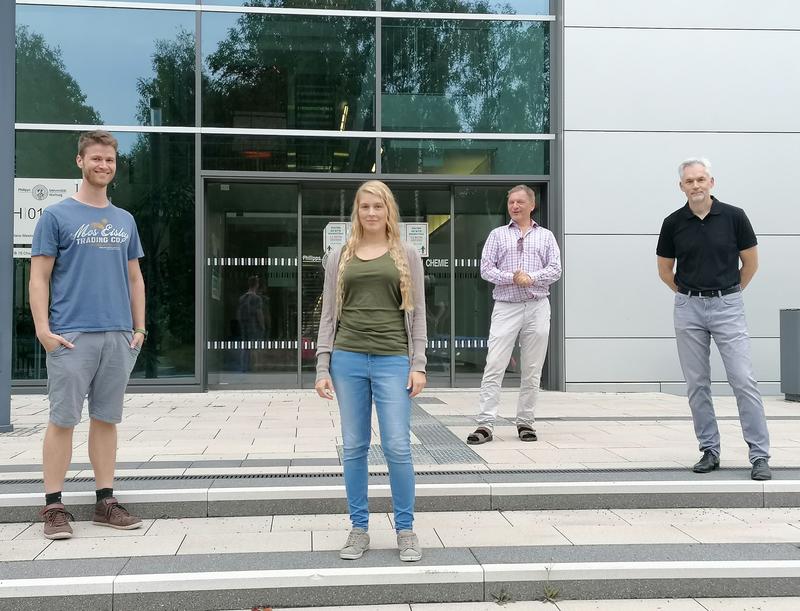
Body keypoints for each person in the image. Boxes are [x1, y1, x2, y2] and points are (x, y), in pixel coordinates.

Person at [30, 131, 146, 539]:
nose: (103, 165)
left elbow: (135, 278)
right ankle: (53, 506)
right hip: (70, 335)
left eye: (109, 160)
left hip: (117, 334)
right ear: (79, 161)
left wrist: (139, 327)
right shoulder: (56, 216)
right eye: (96, 158)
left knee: (106, 420)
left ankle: (105, 501)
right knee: (63, 420)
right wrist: (43, 330)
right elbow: (39, 277)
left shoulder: (125, 220)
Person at [315, 180, 427, 562]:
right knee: (354, 447)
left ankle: (406, 529)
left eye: (378, 206)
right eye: (365, 207)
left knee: (397, 446)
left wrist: (419, 364)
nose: (371, 213)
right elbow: (329, 314)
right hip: (347, 360)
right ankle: (359, 528)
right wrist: (322, 365)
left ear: (388, 210)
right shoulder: (340, 256)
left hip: (393, 359)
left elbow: (419, 313)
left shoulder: (406, 253)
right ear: (357, 212)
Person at [656, 158, 771, 481]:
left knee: (743, 379)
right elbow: (665, 270)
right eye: (689, 181)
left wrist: (728, 292)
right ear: (682, 186)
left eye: (701, 179)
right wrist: (688, 293)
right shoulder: (673, 222)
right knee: (696, 384)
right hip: (688, 308)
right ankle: (709, 450)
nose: (696, 185)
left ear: (711, 182)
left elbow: (750, 264)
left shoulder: (735, 217)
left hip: (728, 306)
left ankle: (759, 455)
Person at [466, 185, 561, 445]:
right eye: (511, 202)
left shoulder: (546, 236)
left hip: (538, 305)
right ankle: (485, 423)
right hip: (506, 306)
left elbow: (555, 269)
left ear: (532, 205)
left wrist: (530, 278)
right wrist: (513, 278)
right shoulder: (497, 235)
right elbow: (486, 269)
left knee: (532, 368)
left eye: (520, 202)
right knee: (494, 363)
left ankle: (525, 422)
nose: (515, 206)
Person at [238, 275, 265, 372]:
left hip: (244, 326)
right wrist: (262, 326)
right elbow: (259, 313)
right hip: (254, 326)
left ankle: (244, 367)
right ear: (256, 285)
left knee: (245, 347)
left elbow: (239, 313)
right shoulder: (257, 298)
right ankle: (253, 367)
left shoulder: (242, 298)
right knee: (254, 348)